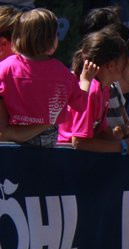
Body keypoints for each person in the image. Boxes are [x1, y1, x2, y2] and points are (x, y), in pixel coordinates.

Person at [58, 27, 129, 157]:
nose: (128, 65)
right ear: (111, 65)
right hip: (67, 160)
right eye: (124, 60)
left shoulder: (105, 88)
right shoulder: (92, 92)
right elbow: (79, 142)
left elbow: (101, 133)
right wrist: (125, 147)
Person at [0, 8, 93, 146]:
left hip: (12, 140)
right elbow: (80, 105)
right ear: (52, 41)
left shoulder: (6, 68)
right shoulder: (63, 73)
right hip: (48, 140)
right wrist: (86, 81)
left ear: (18, 37)